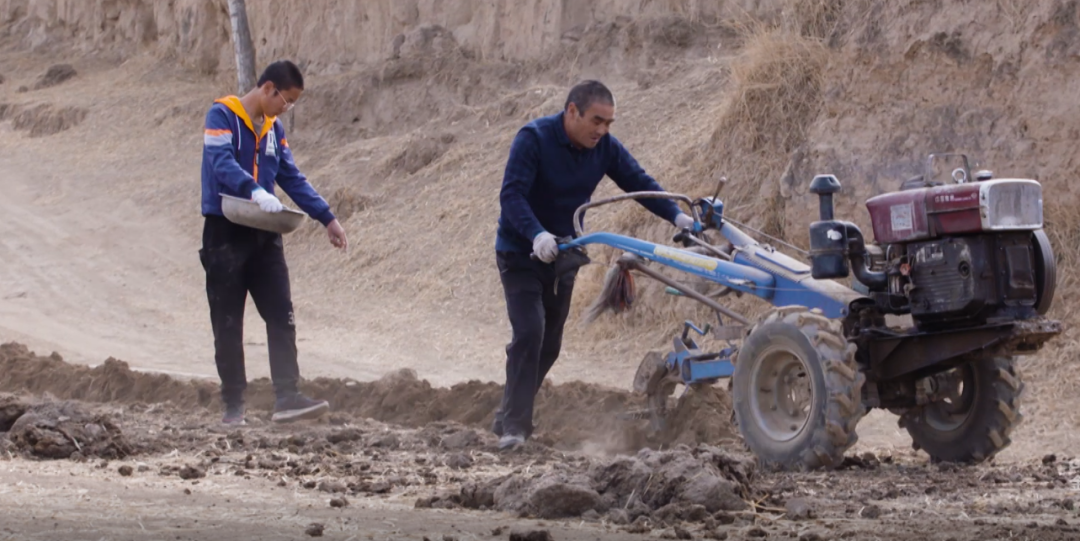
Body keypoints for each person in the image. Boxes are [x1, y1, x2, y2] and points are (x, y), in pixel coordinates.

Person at [493, 80, 695, 449]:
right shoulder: (533, 138)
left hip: (565, 253)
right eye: (597, 121)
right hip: (521, 252)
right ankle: (515, 428)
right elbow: (512, 195)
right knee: (529, 333)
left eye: (609, 124)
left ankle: (507, 412)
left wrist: (676, 216)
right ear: (572, 112)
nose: (602, 130)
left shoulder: (604, 149)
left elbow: (638, 182)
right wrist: (537, 235)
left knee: (549, 344)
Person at [199, 60, 348, 426]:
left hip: (266, 234)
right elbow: (220, 163)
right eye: (287, 100)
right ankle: (233, 404)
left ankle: (288, 396)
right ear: (268, 89)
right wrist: (253, 190)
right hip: (225, 231)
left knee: (282, 314)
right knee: (228, 321)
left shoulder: (273, 129)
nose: (287, 108)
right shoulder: (221, 116)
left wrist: (326, 217)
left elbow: (291, 176)